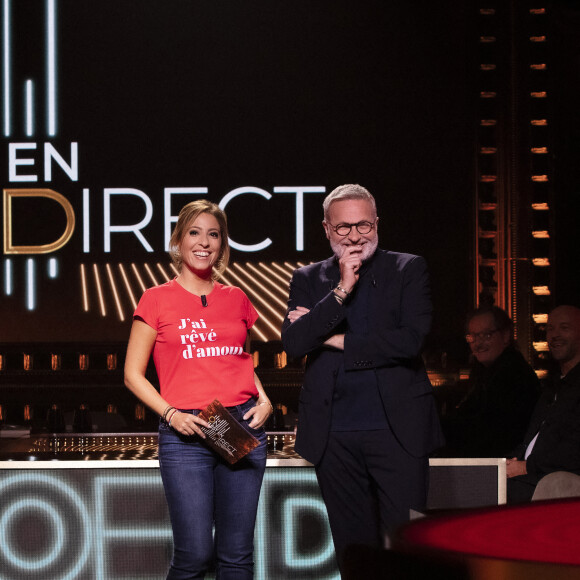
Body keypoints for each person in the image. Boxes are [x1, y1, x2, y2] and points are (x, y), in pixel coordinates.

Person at [281, 184, 444, 572]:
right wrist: (341, 289)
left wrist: (333, 338)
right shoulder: (308, 278)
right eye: (343, 228)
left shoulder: (408, 268)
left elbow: (409, 341)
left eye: (364, 225)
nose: (355, 236)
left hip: (398, 430)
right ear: (326, 229)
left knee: (407, 548)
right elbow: (296, 342)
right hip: (333, 435)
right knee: (354, 552)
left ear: (377, 224)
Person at [124, 200, 273, 579]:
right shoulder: (155, 298)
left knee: (237, 556)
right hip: (185, 432)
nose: (204, 242)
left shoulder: (237, 297)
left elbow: (239, 359)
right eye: (194, 232)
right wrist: (171, 414)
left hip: (240, 426)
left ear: (222, 244)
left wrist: (265, 397)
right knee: (194, 555)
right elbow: (132, 375)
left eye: (213, 234)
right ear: (179, 240)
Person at [439, 306, 539, 457]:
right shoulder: (485, 372)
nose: (478, 343)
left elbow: (487, 431)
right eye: (473, 337)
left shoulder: (512, 374)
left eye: (486, 335)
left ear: (506, 335)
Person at [506, 305, 580, 503]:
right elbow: (531, 441)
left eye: (564, 328)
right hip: (531, 477)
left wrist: (527, 466)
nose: (554, 335)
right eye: (550, 329)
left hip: (555, 483)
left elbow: (573, 450)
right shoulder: (553, 387)